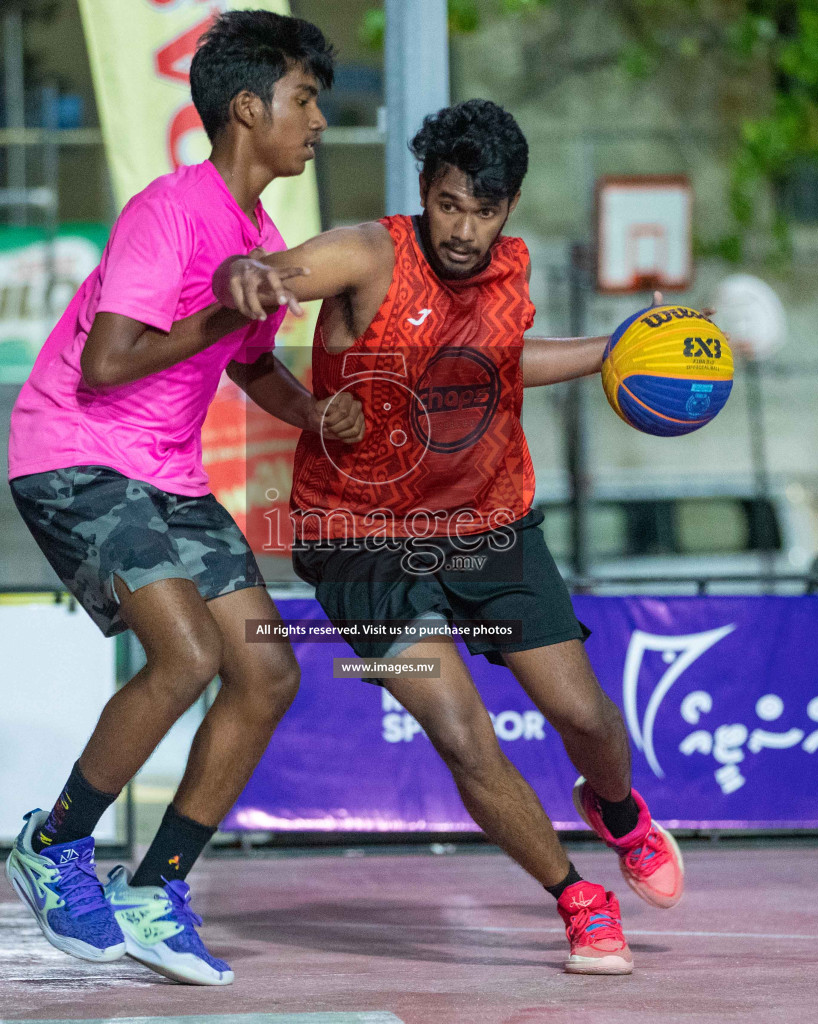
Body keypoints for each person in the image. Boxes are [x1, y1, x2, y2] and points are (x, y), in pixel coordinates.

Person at [212, 99, 686, 976]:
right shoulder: (370, 254)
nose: (465, 229)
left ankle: (618, 811)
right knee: (461, 729)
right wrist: (252, 274)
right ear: (425, 190)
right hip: (357, 538)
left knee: (582, 712)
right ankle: (578, 900)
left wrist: (617, 347)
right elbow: (280, 270)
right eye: (450, 204)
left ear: (509, 207)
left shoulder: (510, 270)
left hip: (488, 520)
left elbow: (504, 365)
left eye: (485, 209)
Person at [5, 10, 358, 985]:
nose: (319, 119)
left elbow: (251, 369)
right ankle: (53, 844)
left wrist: (321, 415)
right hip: (72, 451)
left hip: (163, 472)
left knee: (267, 672)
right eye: (304, 99)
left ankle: (155, 888)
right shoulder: (169, 211)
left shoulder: (259, 232)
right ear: (248, 109)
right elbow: (112, 363)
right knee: (189, 652)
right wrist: (218, 307)